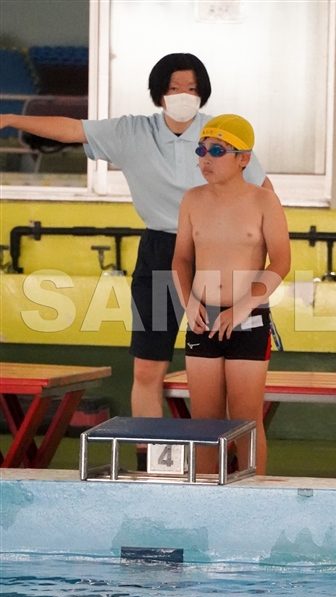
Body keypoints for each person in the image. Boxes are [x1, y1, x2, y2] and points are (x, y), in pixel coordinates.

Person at [0, 54, 273, 470]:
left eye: (192, 88)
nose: (184, 95)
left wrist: (254, 269)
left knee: (227, 386)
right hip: (162, 255)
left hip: (219, 256)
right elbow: (72, 129)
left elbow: (265, 197)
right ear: (159, 92)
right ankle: (153, 468)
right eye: (175, 88)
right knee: (148, 368)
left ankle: (237, 472)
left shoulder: (219, 134)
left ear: (203, 93)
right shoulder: (132, 132)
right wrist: (9, 120)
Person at [172, 114, 291, 475]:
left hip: (248, 318)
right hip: (203, 318)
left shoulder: (264, 201)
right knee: (204, 422)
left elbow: (281, 261)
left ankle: (254, 497)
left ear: (244, 158)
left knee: (245, 419)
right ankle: (207, 498)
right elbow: (181, 258)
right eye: (201, 150)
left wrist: (243, 306)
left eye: (217, 150)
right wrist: (189, 302)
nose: (205, 159)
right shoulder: (192, 200)